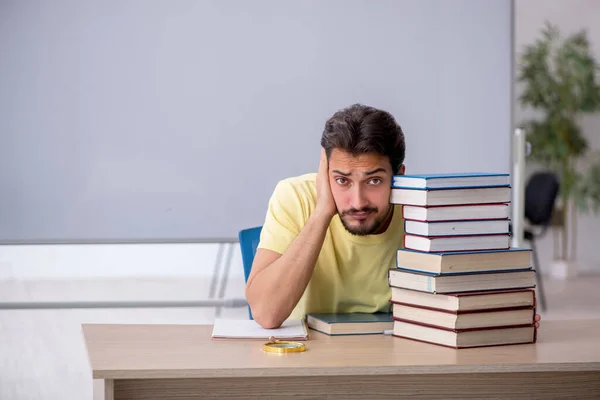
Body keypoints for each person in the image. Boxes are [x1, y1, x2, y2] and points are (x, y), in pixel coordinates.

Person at [245, 103, 541, 331]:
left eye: (373, 181)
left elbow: (474, 297)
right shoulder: (295, 197)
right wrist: (323, 212)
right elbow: (266, 314)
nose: (357, 201)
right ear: (325, 175)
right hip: (309, 364)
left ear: (399, 177)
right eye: (342, 180)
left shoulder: (424, 210)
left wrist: (501, 311)